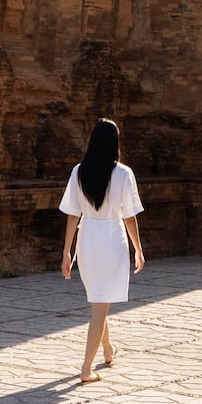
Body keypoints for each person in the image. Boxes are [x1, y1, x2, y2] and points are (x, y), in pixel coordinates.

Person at [58, 118, 145, 383]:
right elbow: (130, 216)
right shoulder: (123, 174)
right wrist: (138, 248)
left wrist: (66, 251)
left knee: (99, 300)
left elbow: (73, 215)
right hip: (111, 239)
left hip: (87, 240)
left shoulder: (78, 172)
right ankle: (86, 368)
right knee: (99, 305)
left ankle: (107, 350)